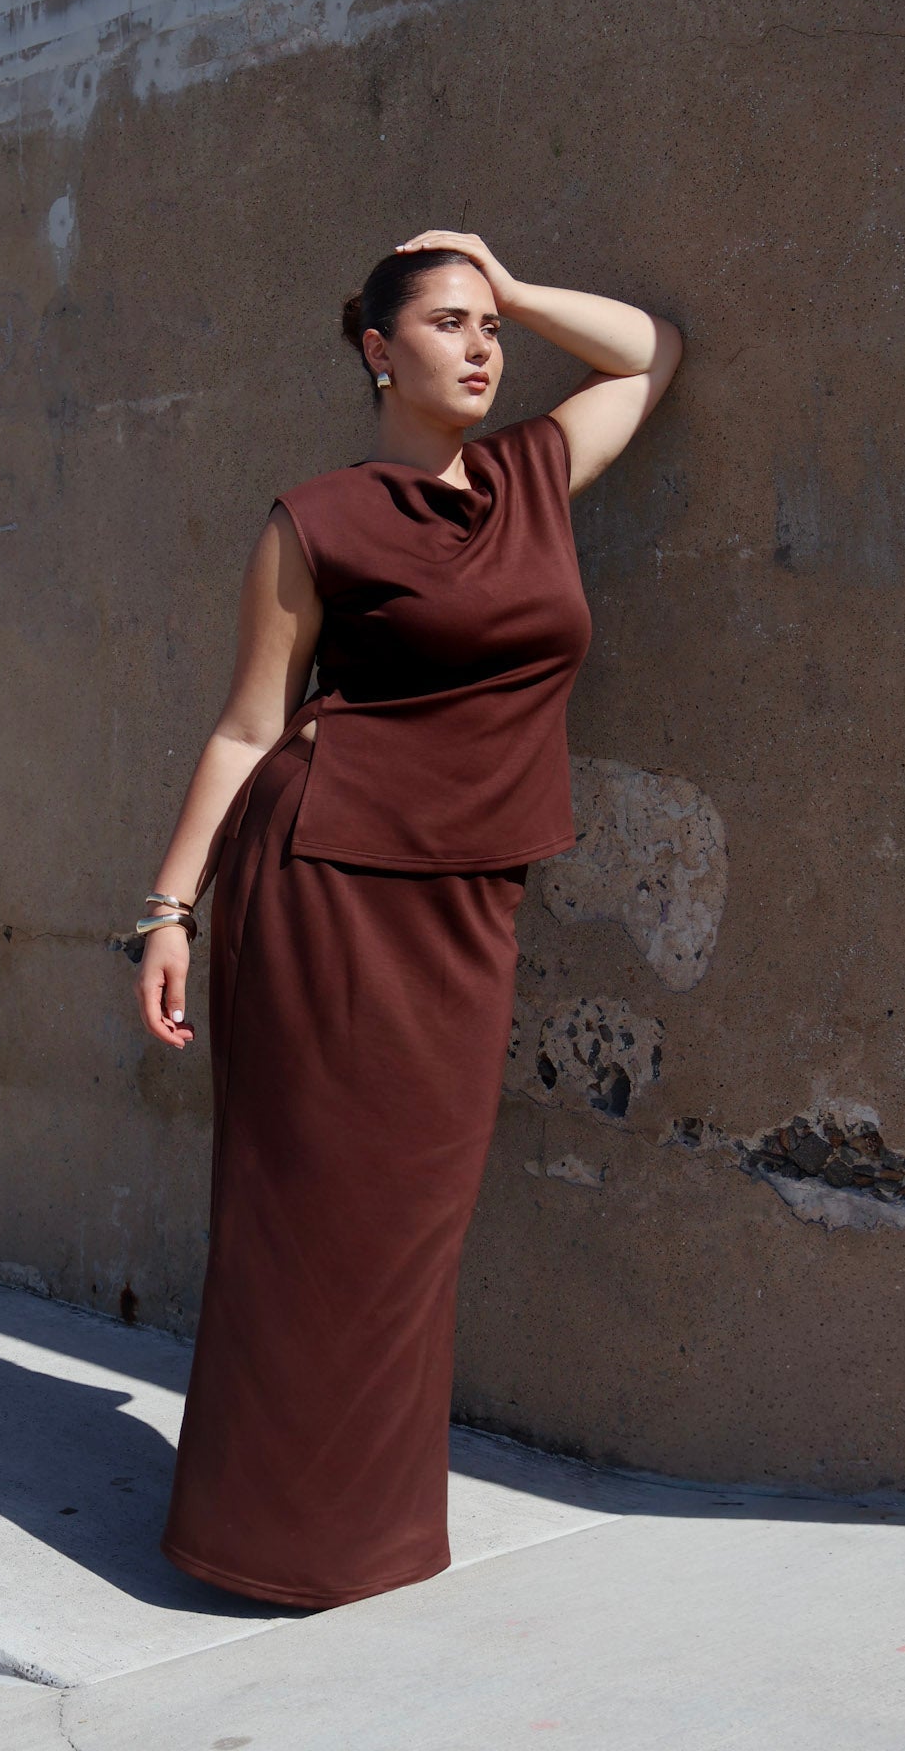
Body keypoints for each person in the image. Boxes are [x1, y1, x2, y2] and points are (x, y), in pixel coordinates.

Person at [131, 228, 683, 1609]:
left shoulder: (534, 474)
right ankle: (275, 1546)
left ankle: (358, 1530)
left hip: (468, 895)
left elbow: (650, 354)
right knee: (307, 1216)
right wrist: (169, 910)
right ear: (378, 351)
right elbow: (249, 726)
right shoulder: (315, 520)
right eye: (448, 323)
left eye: (488, 327)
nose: (482, 346)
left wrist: (510, 280)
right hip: (324, 882)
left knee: (413, 1224)